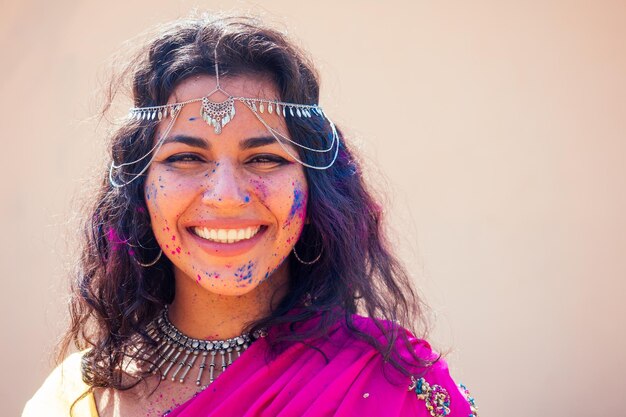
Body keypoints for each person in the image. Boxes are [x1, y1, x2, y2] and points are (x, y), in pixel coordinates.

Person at [23, 13, 478, 417]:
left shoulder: (392, 384)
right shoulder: (79, 396)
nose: (224, 195)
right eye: (185, 158)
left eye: (265, 159)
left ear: (314, 186)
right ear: (138, 188)